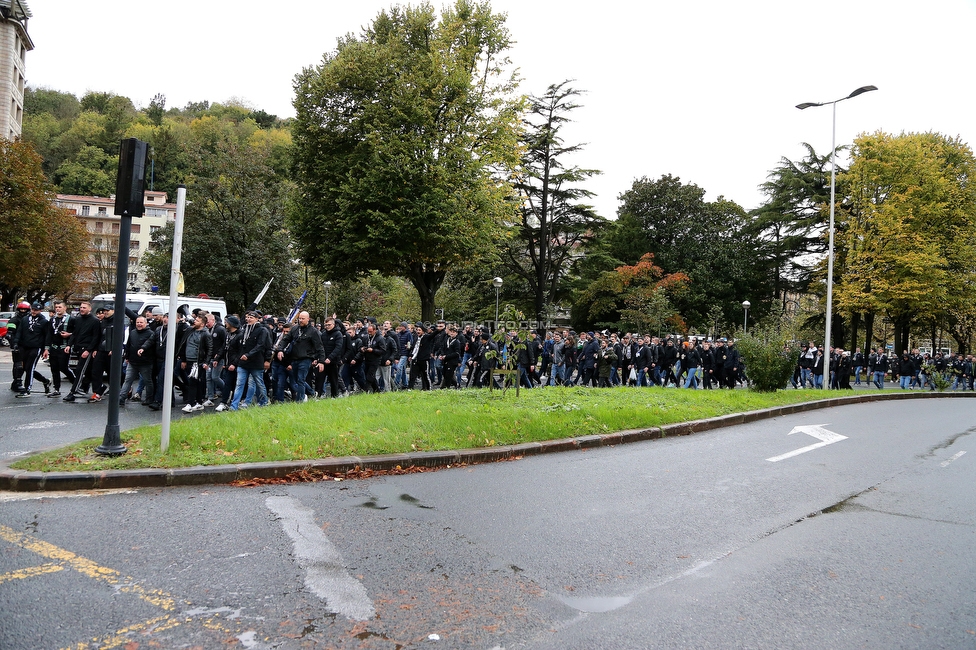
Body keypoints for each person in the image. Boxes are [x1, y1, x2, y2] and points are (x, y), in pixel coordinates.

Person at [275, 311, 324, 402]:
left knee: (301, 379)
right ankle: (311, 394)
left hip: (306, 358)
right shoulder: (294, 329)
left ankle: (300, 400)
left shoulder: (313, 331)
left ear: (308, 319)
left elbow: (319, 347)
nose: (300, 320)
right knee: (296, 379)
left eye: (303, 319)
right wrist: (280, 350)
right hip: (294, 358)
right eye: (299, 318)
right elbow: (285, 340)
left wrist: (321, 361)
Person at [231, 311, 272, 410]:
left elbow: (261, 345)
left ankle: (263, 401)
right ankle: (234, 406)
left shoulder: (262, 330)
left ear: (257, 319)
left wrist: (265, 359)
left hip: (256, 362)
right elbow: (240, 345)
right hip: (243, 362)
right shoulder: (244, 329)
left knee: (258, 383)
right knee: (239, 383)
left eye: (251, 317)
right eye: (248, 317)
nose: (248, 319)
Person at [11, 302, 52, 397]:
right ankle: (45, 381)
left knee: (30, 368)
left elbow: (47, 336)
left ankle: (27, 389)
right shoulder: (25, 319)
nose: (34, 312)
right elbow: (19, 332)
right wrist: (16, 343)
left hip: (36, 347)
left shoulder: (44, 322)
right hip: (24, 346)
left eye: (36, 310)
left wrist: (46, 349)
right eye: (33, 309)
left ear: (40, 311)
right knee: (25, 368)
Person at [178, 311, 212, 412]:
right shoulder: (190, 330)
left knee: (193, 382)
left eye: (197, 320)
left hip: (198, 362)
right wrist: (183, 359)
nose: (194, 321)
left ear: (202, 324)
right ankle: (199, 402)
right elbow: (184, 344)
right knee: (195, 382)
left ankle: (190, 403)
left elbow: (209, 349)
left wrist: (206, 362)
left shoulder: (206, 334)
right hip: (188, 360)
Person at [119, 316, 154, 406]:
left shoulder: (150, 333)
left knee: (148, 381)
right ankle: (121, 398)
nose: (139, 324)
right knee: (128, 380)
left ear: (145, 323)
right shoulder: (133, 332)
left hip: (145, 363)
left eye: (141, 322)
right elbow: (128, 345)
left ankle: (149, 399)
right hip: (132, 362)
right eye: (137, 322)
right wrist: (127, 357)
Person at [46, 300, 76, 397]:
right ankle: (56, 389)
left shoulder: (71, 319)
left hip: (64, 347)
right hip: (54, 347)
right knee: (54, 369)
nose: (58, 309)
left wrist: (69, 338)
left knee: (63, 367)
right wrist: (46, 348)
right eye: (56, 307)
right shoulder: (52, 320)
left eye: (60, 307)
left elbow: (76, 333)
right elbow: (49, 334)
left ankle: (75, 384)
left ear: (65, 308)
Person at [440, 324, 463, 389]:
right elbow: (443, 348)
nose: (452, 333)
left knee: (449, 375)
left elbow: (457, 353)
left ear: (456, 333)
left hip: (452, 361)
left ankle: (448, 387)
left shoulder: (456, 342)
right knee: (444, 373)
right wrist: (442, 355)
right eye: (451, 332)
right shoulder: (447, 339)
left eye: (454, 332)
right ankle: (456, 384)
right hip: (446, 360)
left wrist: (447, 356)